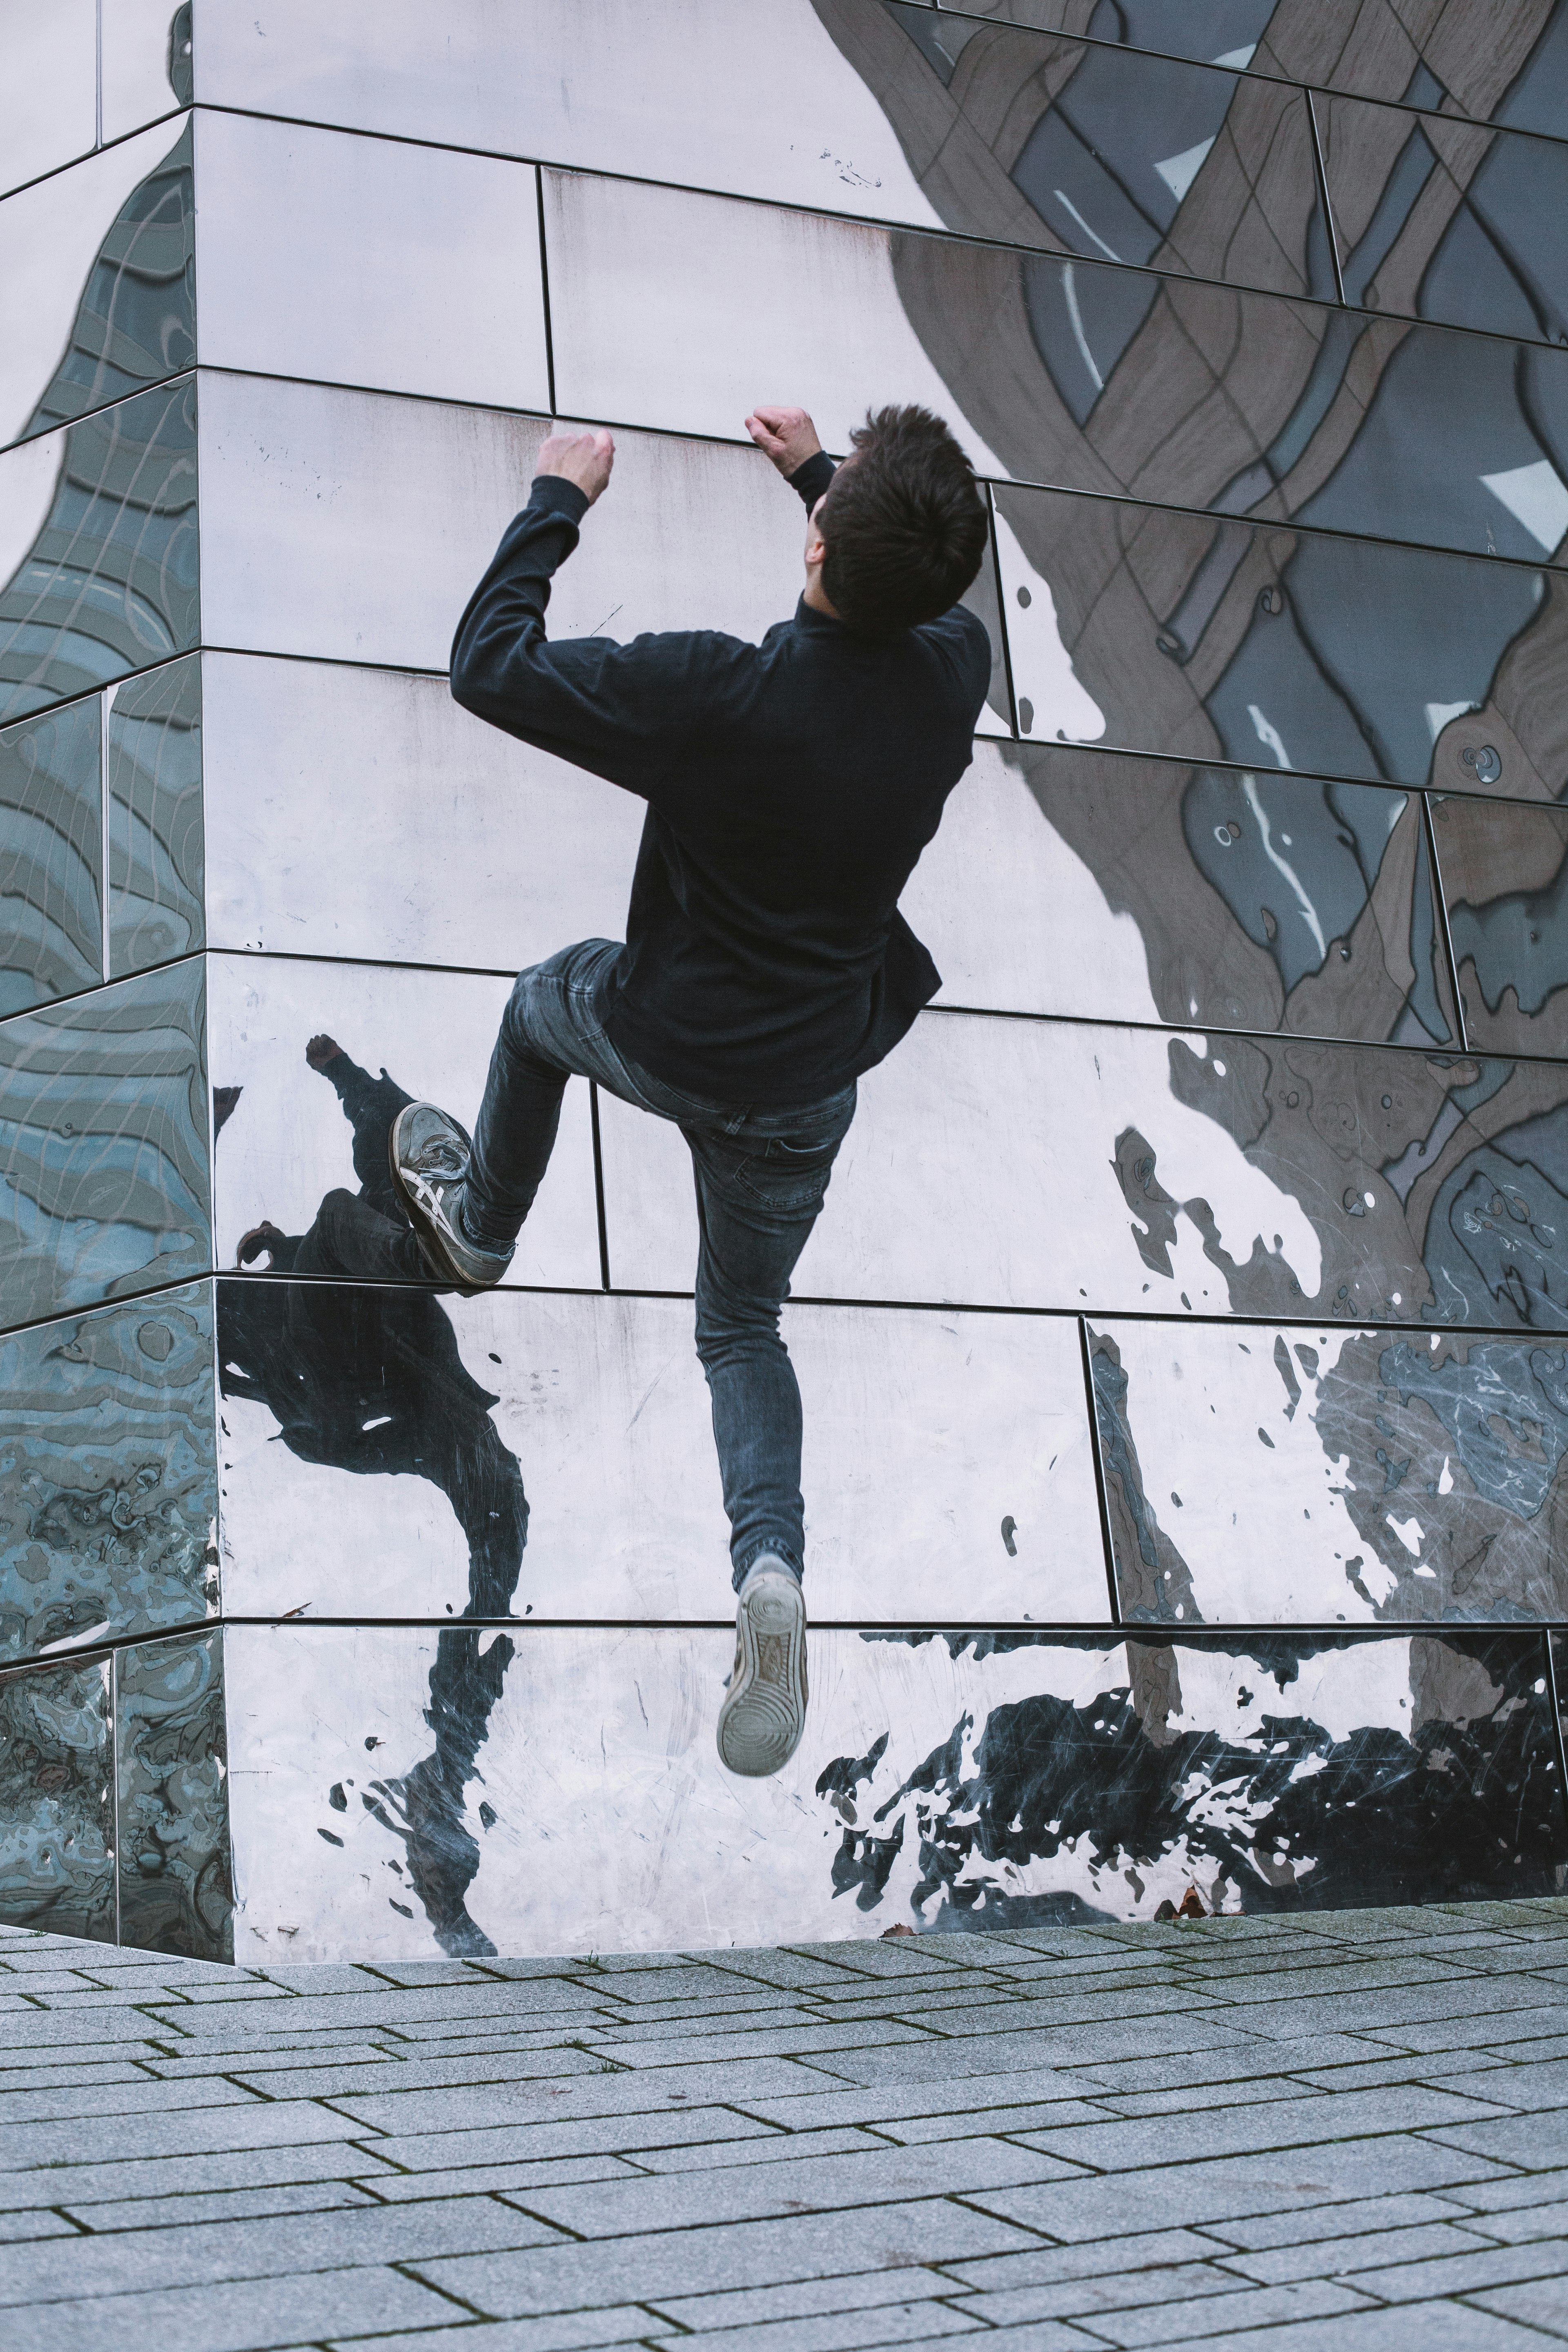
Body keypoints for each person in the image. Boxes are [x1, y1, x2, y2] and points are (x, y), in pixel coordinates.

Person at [388, 401, 993, 1777]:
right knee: (738, 1332)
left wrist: (557, 498)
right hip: (810, 1078)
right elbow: (915, 587)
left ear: (823, 547)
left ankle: (480, 1225)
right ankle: (768, 1571)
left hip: (665, 1036)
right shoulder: (952, 667)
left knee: (543, 1007)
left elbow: (491, 667)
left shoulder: (718, 696)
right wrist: (819, 479)